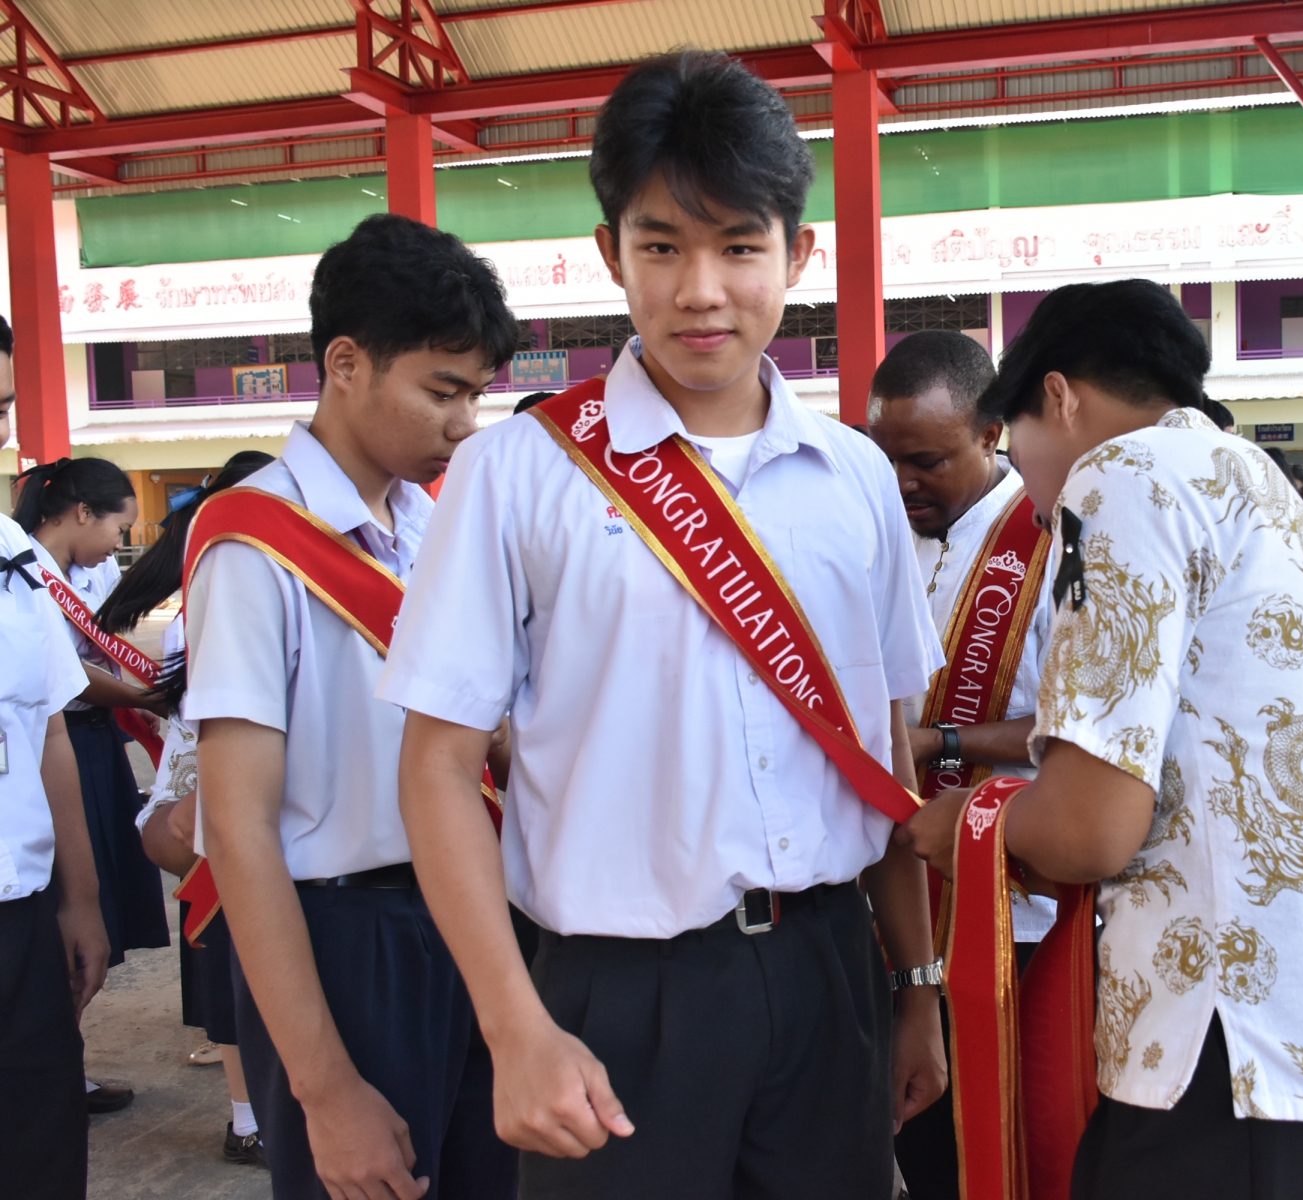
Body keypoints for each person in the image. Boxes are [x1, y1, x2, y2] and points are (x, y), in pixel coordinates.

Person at [379, 50, 946, 1198]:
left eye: (738, 246)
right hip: (614, 998)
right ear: (610, 253)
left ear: (797, 254)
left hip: (828, 968)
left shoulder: (855, 476)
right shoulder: (515, 474)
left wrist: (915, 988)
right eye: (661, 247)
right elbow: (436, 767)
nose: (700, 291)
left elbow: (883, 754)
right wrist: (512, 1026)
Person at [905, 279, 1303, 1200]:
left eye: (1015, 446)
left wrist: (964, 824)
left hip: (1231, 1071)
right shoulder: (1249, 483)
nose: (1026, 493)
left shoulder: (1121, 475)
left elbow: (1087, 832)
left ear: (1059, 397)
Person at [185, 213, 521, 1200]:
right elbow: (238, 828)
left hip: (467, 910)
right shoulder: (253, 547)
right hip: (343, 941)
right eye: (441, 392)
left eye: (475, 395)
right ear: (345, 364)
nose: (463, 424)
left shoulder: (429, 528)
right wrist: (324, 1088)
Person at [866, 329, 1056, 1199]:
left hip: (1017, 915)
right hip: (899, 907)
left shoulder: (1052, 543)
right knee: (923, 1152)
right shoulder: (880, 538)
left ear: (990, 433)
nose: (902, 482)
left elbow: (1085, 727)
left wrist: (938, 743)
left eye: (927, 461)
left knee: (1012, 1148)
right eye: (886, 457)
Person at [99, 451, 275, 1168]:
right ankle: (248, 1118)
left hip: (220, 812)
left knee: (239, 957)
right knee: (236, 954)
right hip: (220, 816)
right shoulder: (223, 592)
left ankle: (251, 1114)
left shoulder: (214, 584)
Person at [16, 454, 169, 1113]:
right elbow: (68, 680)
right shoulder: (25, 568)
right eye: (117, 527)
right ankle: (53, 1069)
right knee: (60, 913)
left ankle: (64, 1063)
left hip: (90, 744)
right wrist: (149, 695)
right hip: (60, 746)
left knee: (93, 912)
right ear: (82, 513)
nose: (118, 542)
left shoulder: (75, 572)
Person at [0, 319, 112, 1200]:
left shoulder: (13, 561)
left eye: (0, 407)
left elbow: (47, 730)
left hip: (19, 915)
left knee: (37, 1143)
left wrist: (81, 901)